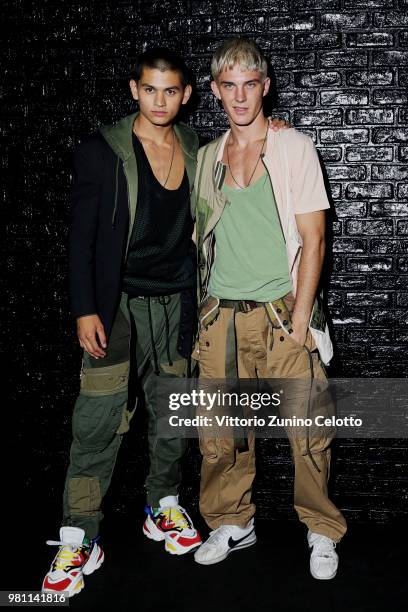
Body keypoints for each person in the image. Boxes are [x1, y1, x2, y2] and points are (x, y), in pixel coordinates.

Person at [41, 46, 289, 597]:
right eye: (150, 89)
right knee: (98, 422)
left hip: (179, 306)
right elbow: (79, 239)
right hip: (117, 309)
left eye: (171, 90)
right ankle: (79, 535)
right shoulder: (102, 150)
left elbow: (253, 149)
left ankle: (164, 508)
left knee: (173, 416)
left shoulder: (201, 148)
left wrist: (278, 128)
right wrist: (84, 309)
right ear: (135, 90)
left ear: (186, 95)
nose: (160, 100)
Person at [192, 38, 347, 580]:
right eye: (228, 85)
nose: (239, 96)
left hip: (283, 313)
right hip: (222, 319)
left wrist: (302, 319)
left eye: (249, 84)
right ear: (214, 91)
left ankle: (321, 530)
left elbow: (314, 239)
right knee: (219, 435)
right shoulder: (207, 156)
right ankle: (232, 522)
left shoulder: (292, 147)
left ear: (265, 86)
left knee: (308, 431)